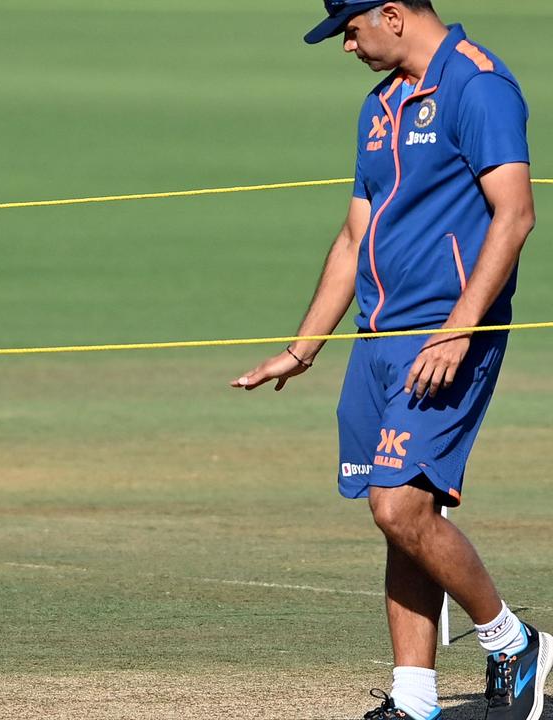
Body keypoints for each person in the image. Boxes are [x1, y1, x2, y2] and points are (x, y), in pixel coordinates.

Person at [229, 2, 547, 718]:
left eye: (350, 30)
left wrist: (460, 328)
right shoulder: (381, 106)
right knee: (402, 515)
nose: (347, 46)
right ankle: (414, 699)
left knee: (397, 505)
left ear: (393, 15)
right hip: (379, 340)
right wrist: (302, 348)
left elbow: (516, 214)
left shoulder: (479, 86)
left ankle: (512, 639)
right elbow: (352, 239)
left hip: (445, 336)